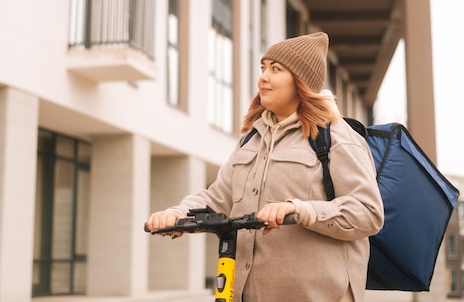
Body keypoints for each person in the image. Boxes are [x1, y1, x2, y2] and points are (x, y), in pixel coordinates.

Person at [146, 32, 384, 302]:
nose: (263, 77)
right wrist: (178, 214)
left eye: (276, 69)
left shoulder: (337, 138)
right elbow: (217, 199)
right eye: (263, 68)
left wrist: (300, 209)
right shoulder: (252, 139)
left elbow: (368, 212)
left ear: (300, 81)